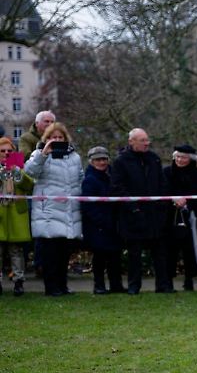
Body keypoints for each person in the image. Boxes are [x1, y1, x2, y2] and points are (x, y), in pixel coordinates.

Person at [24, 122, 83, 296]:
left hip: (69, 210)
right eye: (53, 137)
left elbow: (80, 178)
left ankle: (63, 285)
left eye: (60, 137)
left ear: (65, 138)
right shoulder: (38, 153)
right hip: (48, 211)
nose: (57, 140)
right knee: (50, 252)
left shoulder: (74, 157)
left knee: (64, 252)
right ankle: (51, 287)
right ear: (47, 138)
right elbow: (29, 172)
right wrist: (43, 155)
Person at [110, 128, 171, 294]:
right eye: (142, 140)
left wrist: (161, 205)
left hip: (155, 214)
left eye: (147, 140)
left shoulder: (154, 159)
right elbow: (117, 187)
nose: (147, 143)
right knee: (134, 254)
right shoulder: (121, 162)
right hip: (132, 214)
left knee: (159, 252)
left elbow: (162, 183)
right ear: (131, 142)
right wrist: (133, 207)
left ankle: (163, 285)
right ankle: (134, 285)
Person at [80, 146, 123, 295]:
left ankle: (116, 284)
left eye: (104, 159)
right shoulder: (90, 180)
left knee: (115, 256)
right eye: (98, 160)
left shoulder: (112, 176)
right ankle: (99, 285)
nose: (102, 162)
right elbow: (88, 205)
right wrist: (101, 220)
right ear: (92, 162)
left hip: (113, 222)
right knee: (100, 257)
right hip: (97, 225)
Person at [163, 144, 197, 291]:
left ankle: (189, 279)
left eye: (184, 157)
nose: (180, 160)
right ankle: (168, 280)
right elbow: (163, 190)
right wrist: (173, 200)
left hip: (190, 217)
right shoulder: (166, 172)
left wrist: (187, 203)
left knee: (190, 249)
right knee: (170, 250)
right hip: (169, 217)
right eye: (178, 157)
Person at [0, 137, 34, 296]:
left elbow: (29, 185)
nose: (6, 153)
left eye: (9, 150)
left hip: (16, 214)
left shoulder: (19, 167)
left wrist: (17, 172)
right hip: (1, 214)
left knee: (16, 251)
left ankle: (18, 282)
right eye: (2, 151)